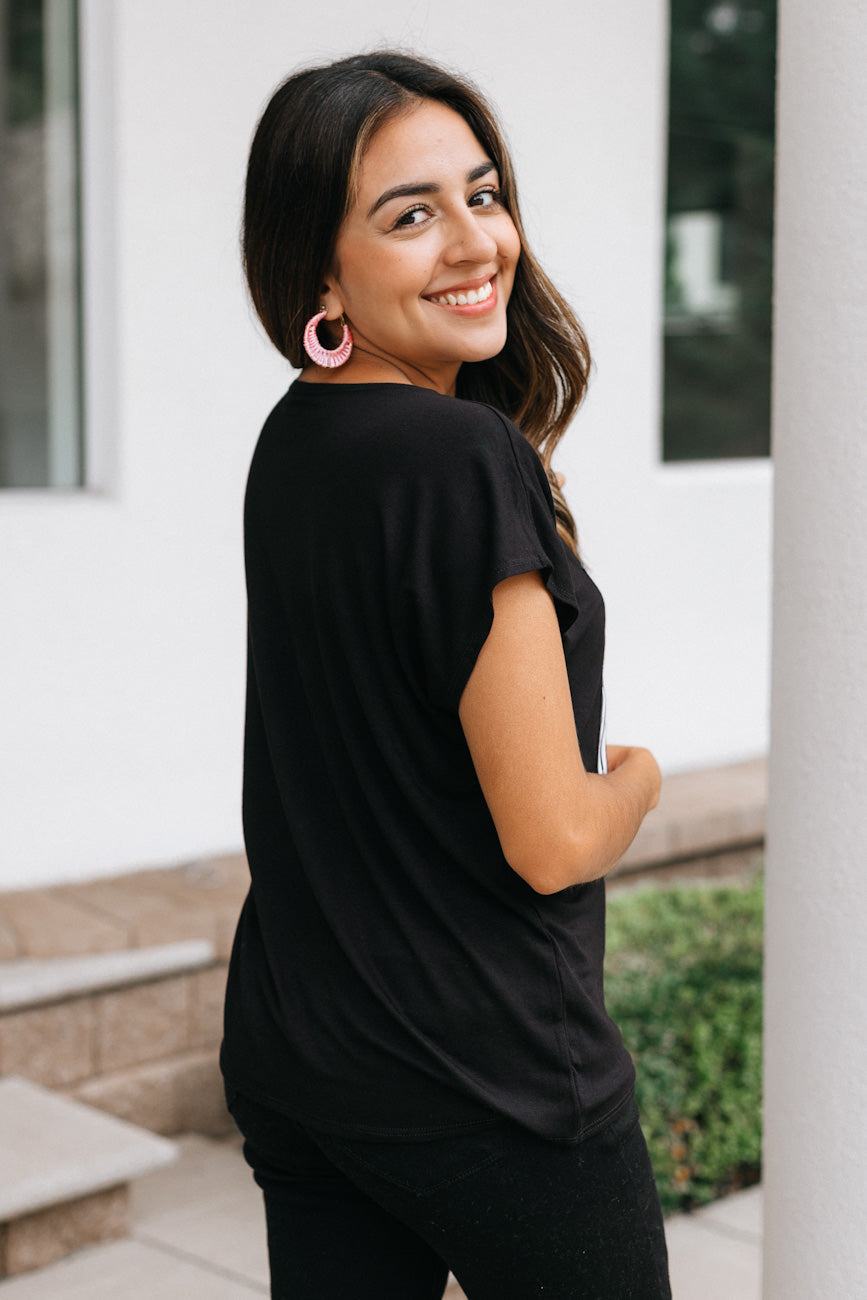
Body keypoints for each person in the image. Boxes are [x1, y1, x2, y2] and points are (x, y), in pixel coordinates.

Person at [221, 50, 670, 1300]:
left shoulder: (297, 435)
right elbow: (551, 838)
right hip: (488, 1080)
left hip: (305, 1051)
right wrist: (636, 780)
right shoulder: (458, 458)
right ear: (320, 270)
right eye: (410, 216)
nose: (475, 242)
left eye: (483, 194)